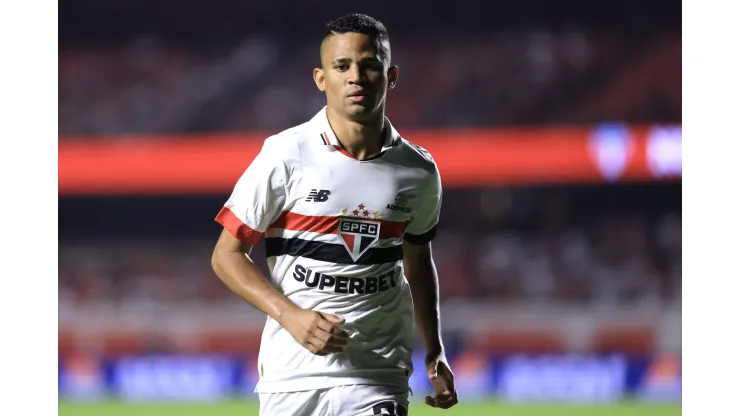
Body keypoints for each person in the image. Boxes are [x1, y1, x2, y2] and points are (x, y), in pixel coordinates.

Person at [211, 13, 457, 416]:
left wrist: (434, 350)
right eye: (341, 66)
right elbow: (226, 255)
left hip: (376, 373)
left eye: (369, 65)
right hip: (292, 378)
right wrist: (289, 316)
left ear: (391, 75)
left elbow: (417, 258)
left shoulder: (419, 171)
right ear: (321, 78)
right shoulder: (285, 154)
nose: (355, 76)